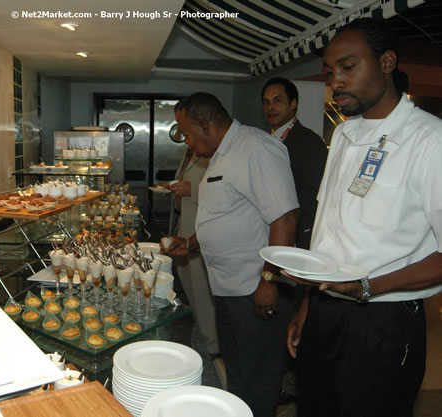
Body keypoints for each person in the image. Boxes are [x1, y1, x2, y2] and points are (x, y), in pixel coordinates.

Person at [287, 18, 442, 417]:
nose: (335, 81)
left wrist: (370, 286)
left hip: (383, 320)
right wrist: (308, 306)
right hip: (326, 309)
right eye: (330, 72)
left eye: (348, 67)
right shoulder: (342, 134)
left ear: (387, 62)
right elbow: (327, 229)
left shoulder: (429, 140)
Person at [163, 92, 299, 417]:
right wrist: (191, 243)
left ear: (206, 124)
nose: (187, 141)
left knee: (258, 379)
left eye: (188, 133)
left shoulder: (255, 148)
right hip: (227, 288)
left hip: (254, 289)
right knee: (237, 375)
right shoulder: (218, 156)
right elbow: (225, 215)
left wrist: (269, 280)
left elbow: (285, 217)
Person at [161, 147, 225, 387]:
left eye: (188, 132)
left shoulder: (215, 154)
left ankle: (212, 351)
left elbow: (222, 192)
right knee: (193, 293)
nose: (186, 138)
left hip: (200, 231)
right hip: (185, 228)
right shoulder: (192, 153)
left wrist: (191, 190)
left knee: (203, 292)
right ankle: (204, 343)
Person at [261, 77, 328, 249]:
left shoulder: (310, 142)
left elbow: (312, 197)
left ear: (293, 104)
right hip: (264, 231)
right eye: (266, 102)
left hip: (295, 235)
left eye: (277, 100)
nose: (270, 107)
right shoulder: (262, 141)